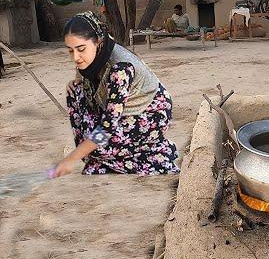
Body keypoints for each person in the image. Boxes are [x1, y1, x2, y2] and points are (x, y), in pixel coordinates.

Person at [53, 11, 180, 177]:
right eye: (71, 50)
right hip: (119, 112)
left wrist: (71, 159)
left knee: (98, 148)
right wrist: (77, 80)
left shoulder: (120, 69)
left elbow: (107, 127)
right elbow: (82, 72)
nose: (76, 57)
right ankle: (104, 155)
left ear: (98, 42)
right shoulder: (98, 51)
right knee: (75, 93)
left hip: (149, 112)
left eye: (81, 49)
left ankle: (155, 154)